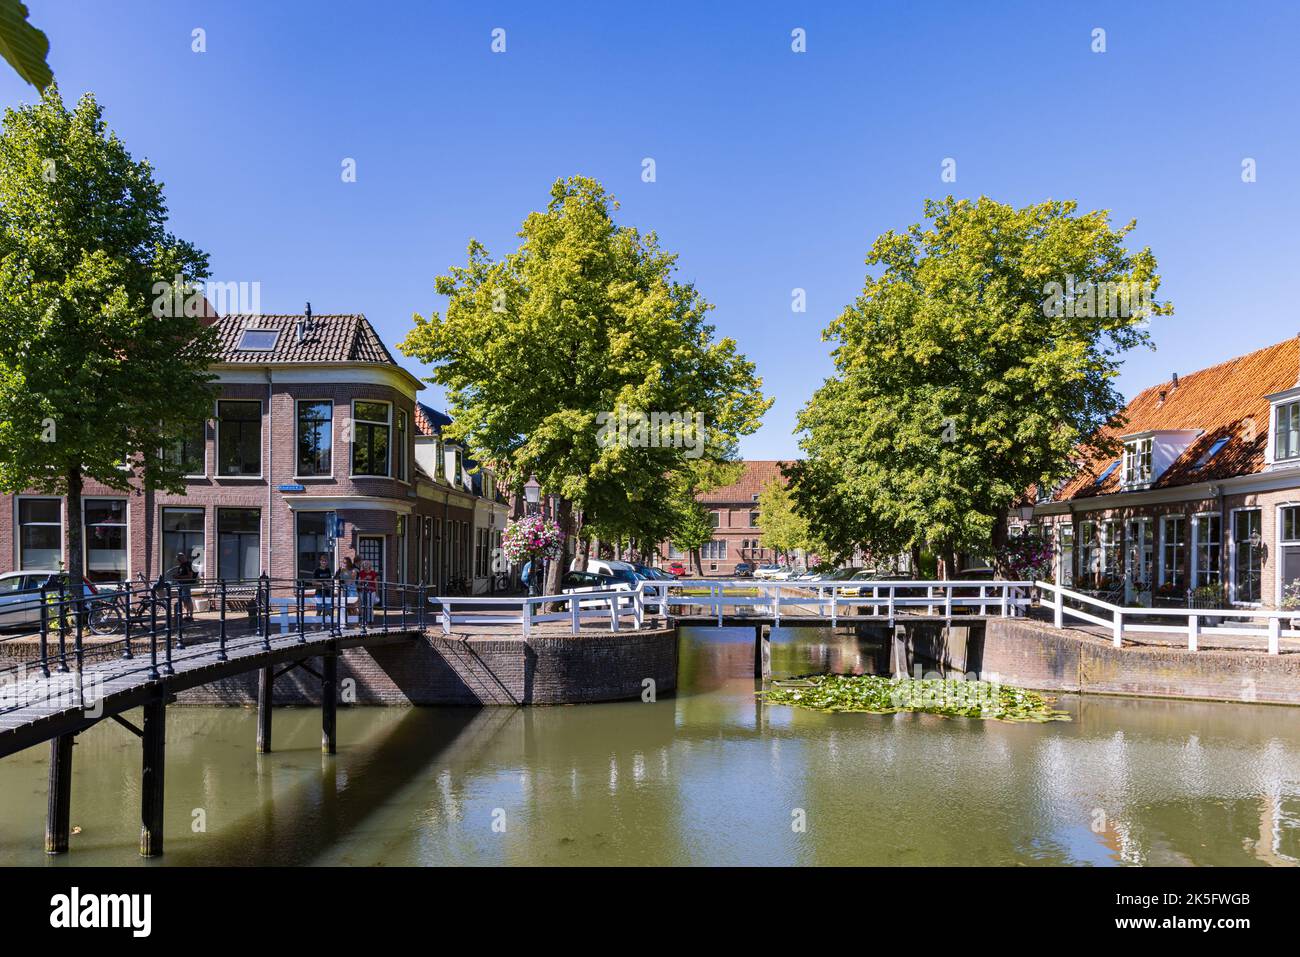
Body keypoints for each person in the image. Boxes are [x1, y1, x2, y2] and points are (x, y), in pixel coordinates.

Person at [168, 551, 199, 621]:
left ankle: (190, 615)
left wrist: (179, 577)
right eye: (179, 558)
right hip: (181, 584)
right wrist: (177, 576)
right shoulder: (182, 565)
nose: (179, 559)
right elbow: (182, 574)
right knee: (184, 600)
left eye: (181, 557)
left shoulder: (188, 565)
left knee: (187, 599)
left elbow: (190, 576)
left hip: (186, 584)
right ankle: (186, 614)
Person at [312, 554, 333, 630]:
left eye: (325, 561)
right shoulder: (317, 571)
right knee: (319, 610)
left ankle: (326, 626)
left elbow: (330, 581)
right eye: (322, 561)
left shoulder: (328, 570)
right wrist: (322, 583)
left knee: (328, 610)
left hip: (327, 592)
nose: (324, 562)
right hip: (319, 592)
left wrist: (329, 583)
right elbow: (313, 582)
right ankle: (315, 626)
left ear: (327, 562)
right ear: (320, 561)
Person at [335, 557, 357, 626]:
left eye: (346, 562)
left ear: (349, 563)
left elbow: (352, 580)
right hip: (344, 589)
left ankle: (356, 623)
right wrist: (339, 571)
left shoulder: (353, 570)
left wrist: (345, 582)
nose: (345, 564)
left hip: (351, 589)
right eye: (344, 562)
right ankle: (350, 621)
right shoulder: (342, 570)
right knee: (346, 606)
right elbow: (336, 578)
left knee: (352, 606)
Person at [357, 559, 378, 624]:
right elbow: (359, 582)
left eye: (367, 564)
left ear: (369, 565)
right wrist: (365, 578)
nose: (366, 565)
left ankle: (371, 620)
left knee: (370, 606)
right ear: (363, 565)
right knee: (364, 606)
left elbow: (376, 582)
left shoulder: (373, 573)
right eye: (364, 564)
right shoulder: (361, 572)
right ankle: (364, 620)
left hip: (372, 591)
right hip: (363, 591)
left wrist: (377, 592)